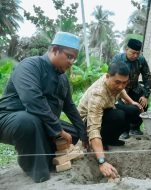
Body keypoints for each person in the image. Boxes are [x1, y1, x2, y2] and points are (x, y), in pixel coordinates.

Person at [0, 32, 88, 183]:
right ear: (54, 50)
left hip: (41, 122)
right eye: (69, 56)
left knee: (73, 133)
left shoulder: (63, 79)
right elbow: (33, 100)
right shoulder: (29, 66)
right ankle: (37, 170)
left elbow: (70, 107)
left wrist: (83, 134)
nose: (72, 62)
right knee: (28, 121)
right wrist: (58, 130)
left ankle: (48, 155)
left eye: (74, 58)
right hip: (11, 119)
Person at [77, 62, 142, 179]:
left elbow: (121, 91)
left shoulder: (116, 82)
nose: (121, 86)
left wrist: (132, 102)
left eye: (124, 82)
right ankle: (103, 142)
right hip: (86, 122)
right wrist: (102, 161)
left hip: (107, 110)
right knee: (118, 116)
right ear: (107, 77)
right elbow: (93, 128)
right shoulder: (97, 95)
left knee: (134, 110)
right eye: (117, 82)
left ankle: (111, 139)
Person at [112, 39, 151, 139]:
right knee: (122, 110)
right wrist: (121, 97)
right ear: (126, 49)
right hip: (119, 90)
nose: (135, 56)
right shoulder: (117, 59)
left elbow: (147, 77)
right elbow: (111, 79)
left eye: (137, 53)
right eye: (133, 53)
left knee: (143, 104)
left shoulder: (141, 60)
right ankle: (124, 130)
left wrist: (145, 95)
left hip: (134, 88)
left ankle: (135, 128)